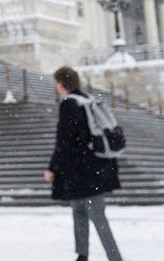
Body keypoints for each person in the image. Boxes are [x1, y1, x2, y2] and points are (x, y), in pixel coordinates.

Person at [44, 65, 123, 261]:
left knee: (95, 214)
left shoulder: (69, 105)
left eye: (57, 83)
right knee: (79, 209)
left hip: (81, 170)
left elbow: (63, 140)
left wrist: (52, 167)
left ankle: (115, 258)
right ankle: (82, 255)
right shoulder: (86, 100)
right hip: (93, 167)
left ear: (62, 84)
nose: (56, 87)